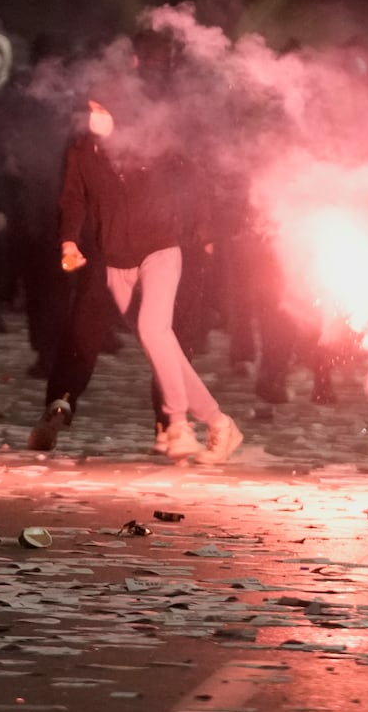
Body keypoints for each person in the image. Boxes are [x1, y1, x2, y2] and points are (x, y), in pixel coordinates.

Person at [50, 91, 242, 464]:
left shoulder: (152, 144)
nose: (95, 117)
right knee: (160, 346)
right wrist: (69, 242)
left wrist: (204, 231)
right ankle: (220, 424)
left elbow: (194, 179)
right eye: (91, 109)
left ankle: (178, 424)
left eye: (102, 109)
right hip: (115, 262)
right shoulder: (82, 151)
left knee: (155, 330)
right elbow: (73, 199)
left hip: (159, 249)